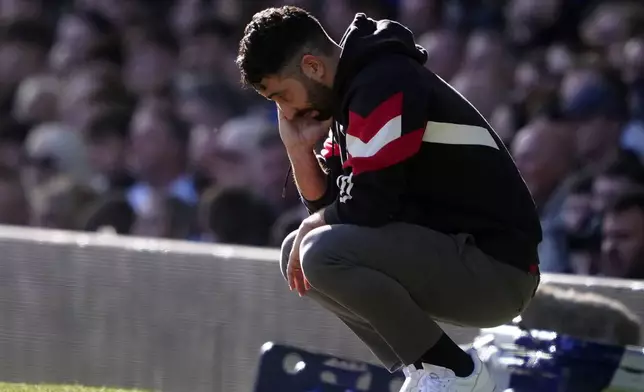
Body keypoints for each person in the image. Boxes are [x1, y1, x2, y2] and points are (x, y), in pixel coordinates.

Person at [236, 7, 542, 392]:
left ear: (312, 67)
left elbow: (367, 209)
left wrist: (316, 223)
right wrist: (298, 152)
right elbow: (339, 212)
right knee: (295, 255)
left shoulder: (383, 81)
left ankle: (454, 373)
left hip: (497, 269)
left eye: (281, 95)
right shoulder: (352, 94)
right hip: (452, 258)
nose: (286, 112)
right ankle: (427, 370)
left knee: (317, 251)